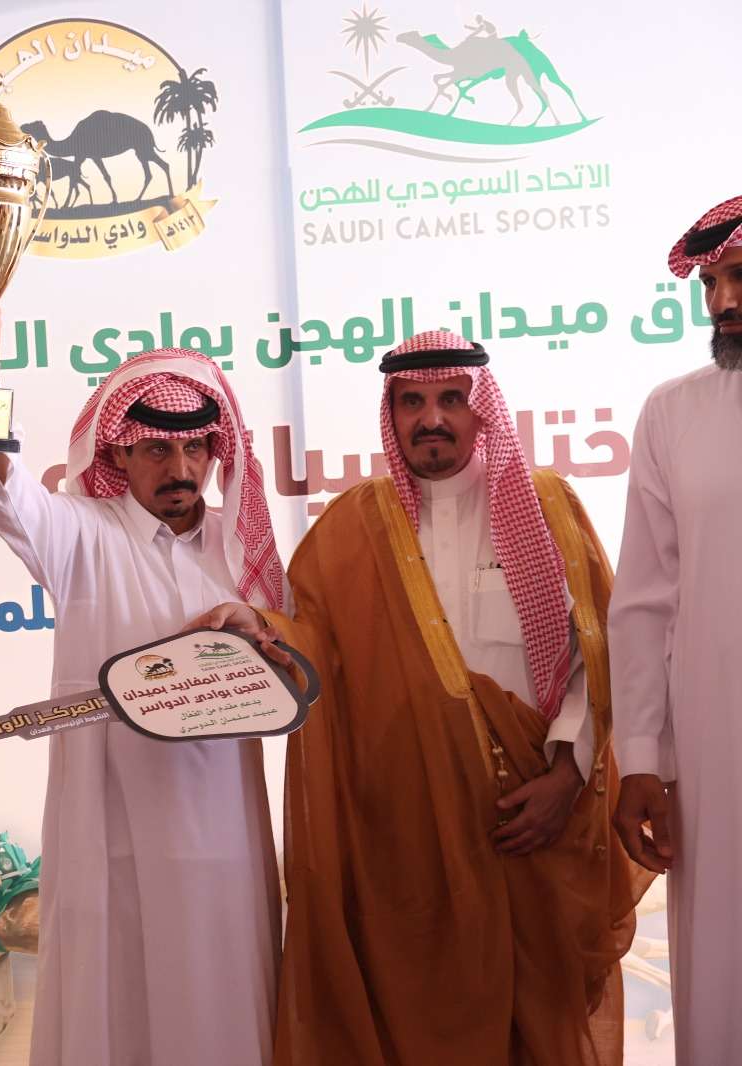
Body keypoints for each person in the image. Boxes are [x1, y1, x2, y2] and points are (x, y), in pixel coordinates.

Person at [207, 330, 647, 1065]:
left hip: (530, 823)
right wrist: (263, 627)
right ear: (392, 414)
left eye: (450, 399)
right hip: (406, 837)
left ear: (482, 411)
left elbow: (597, 655)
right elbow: (314, 645)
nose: (431, 418)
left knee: (538, 1027)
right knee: (419, 1020)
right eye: (411, 402)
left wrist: (568, 777)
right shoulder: (350, 526)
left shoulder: (548, 509)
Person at [0, 302, 287, 1065]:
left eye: (196, 447)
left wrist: (261, 630)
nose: (181, 468)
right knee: (118, 997)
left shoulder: (241, 548)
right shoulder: (79, 533)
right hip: (113, 828)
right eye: (157, 448)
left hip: (224, 826)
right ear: (120, 453)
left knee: (222, 993)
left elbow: (289, 673)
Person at [610, 193, 742, 1063]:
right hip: (716, 746)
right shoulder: (672, 411)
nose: (725, 303)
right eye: (713, 284)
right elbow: (644, 602)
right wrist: (641, 759)